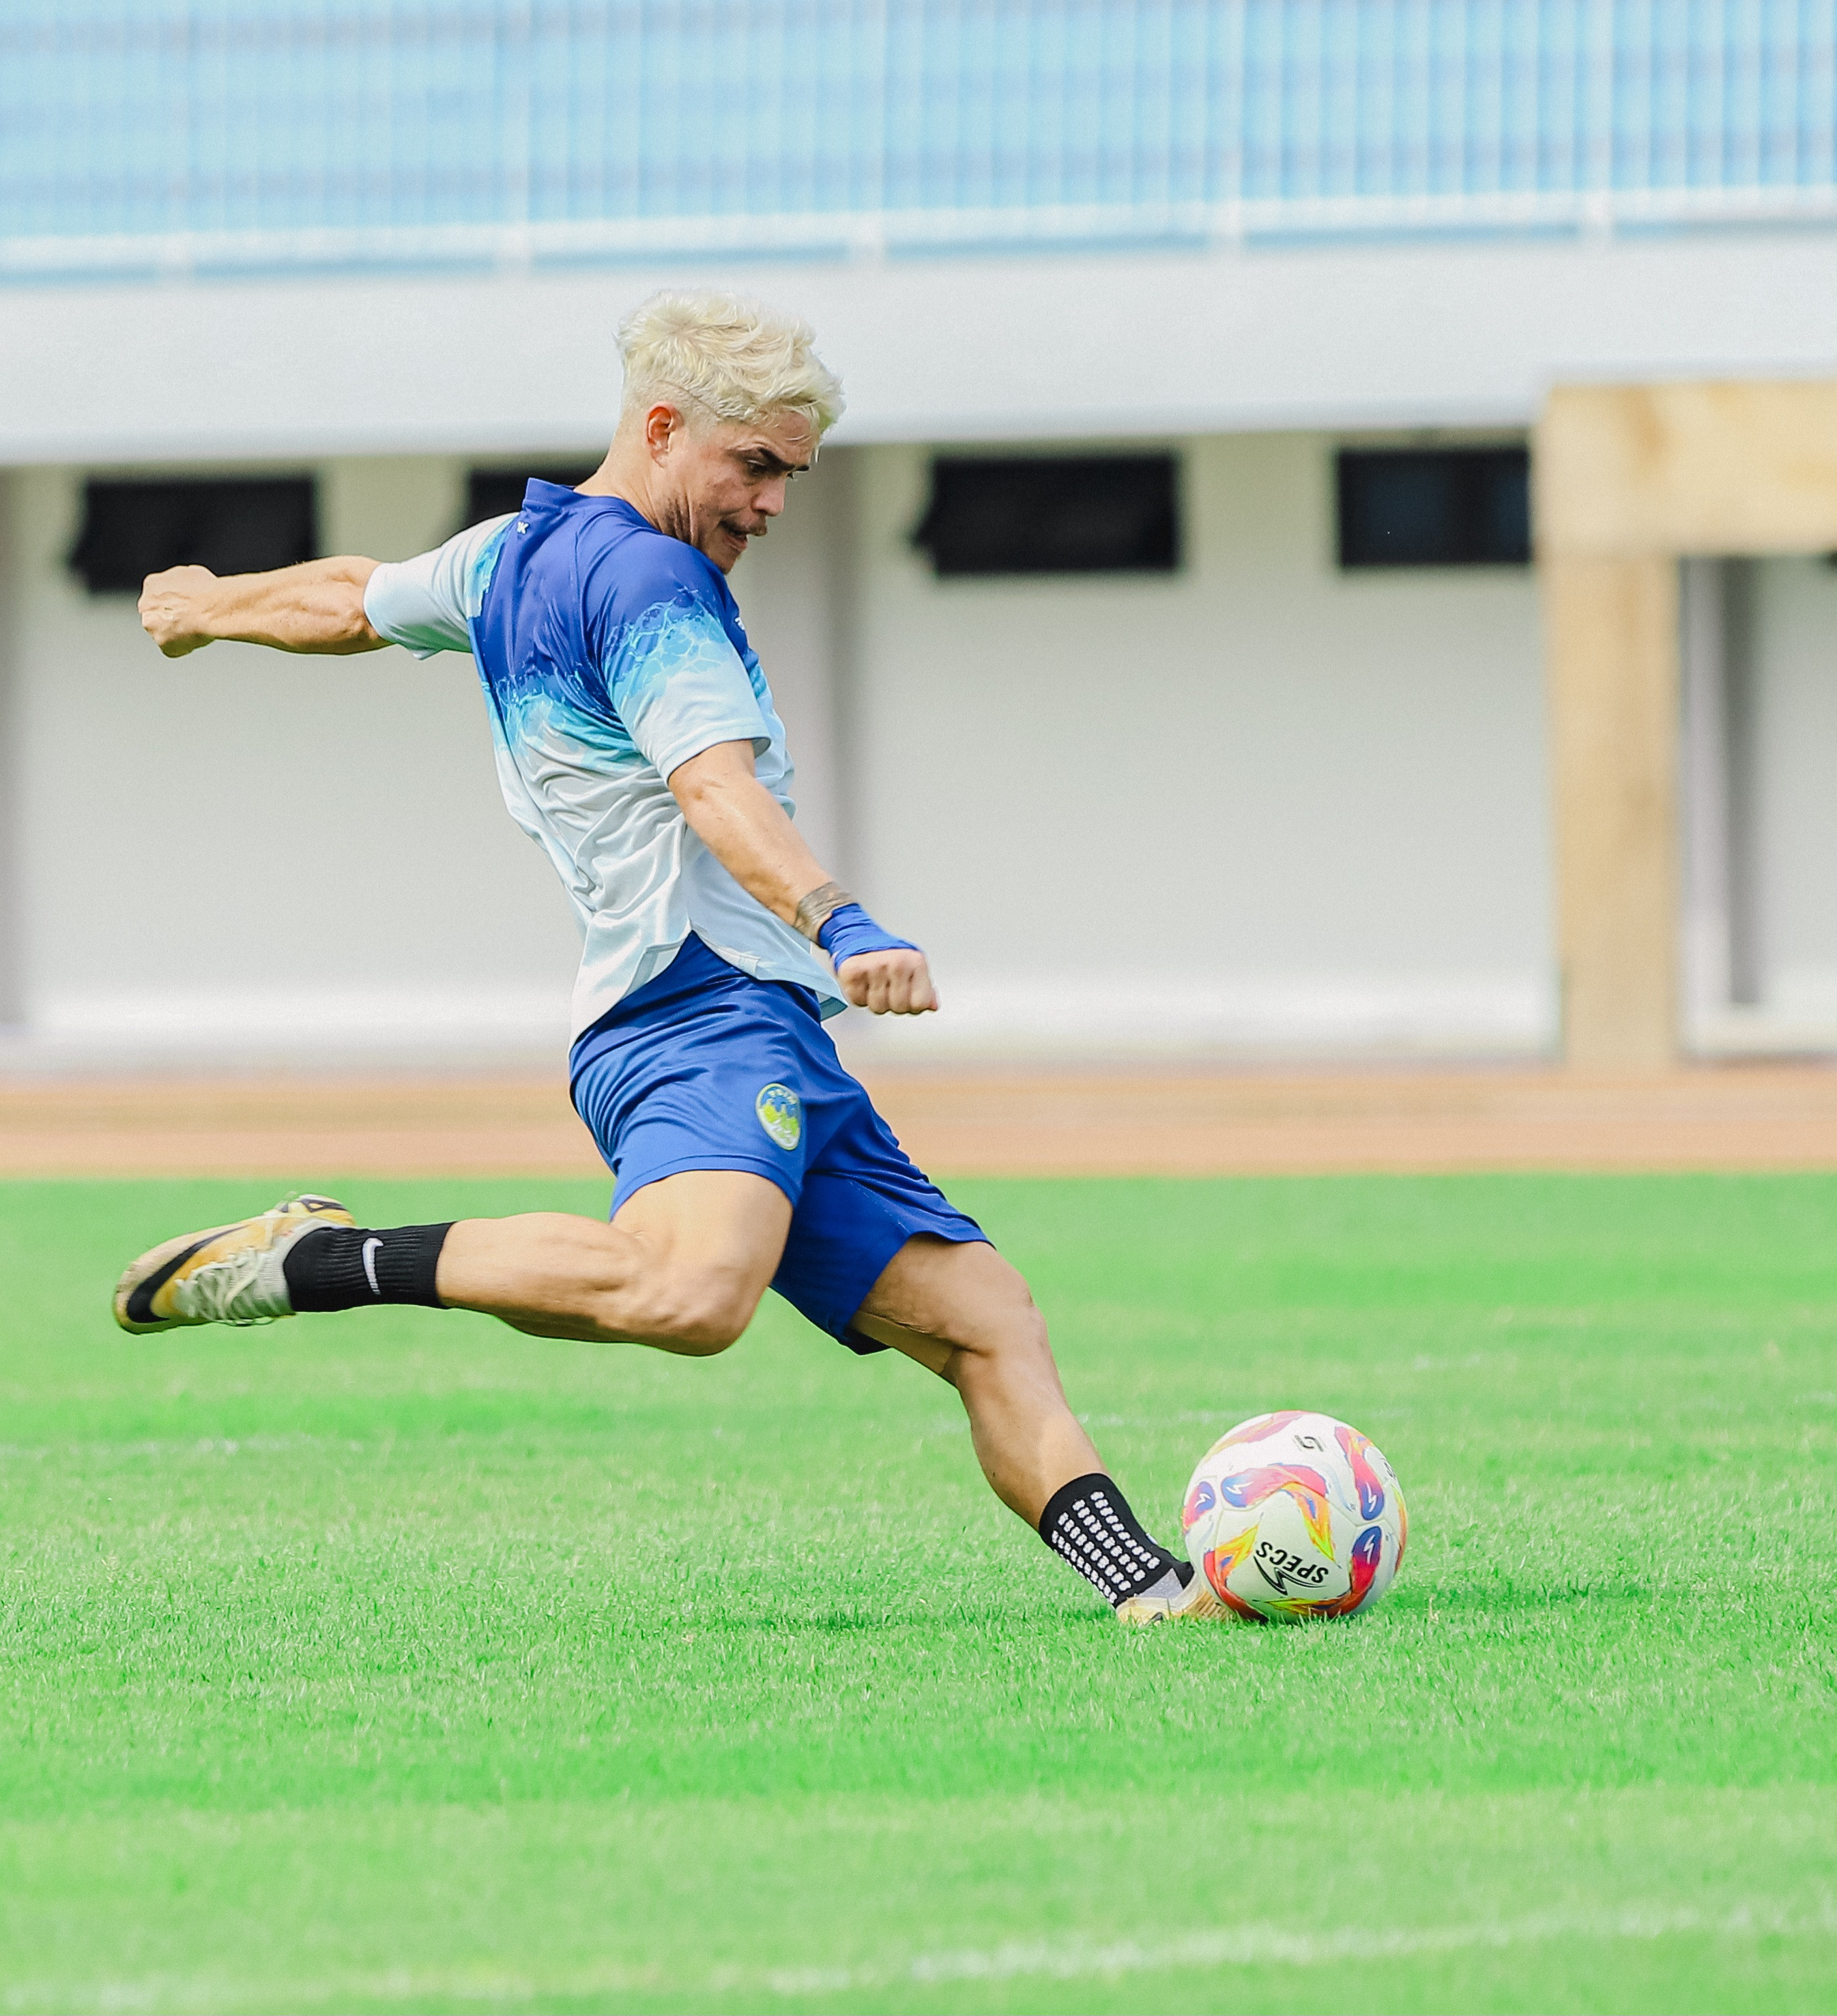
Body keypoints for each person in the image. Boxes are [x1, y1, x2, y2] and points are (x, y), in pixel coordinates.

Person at [115, 290, 1230, 1624]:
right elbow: (710, 787)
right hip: (690, 1013)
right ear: (659, 426)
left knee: (984, 1316)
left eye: (788, 476)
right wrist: (840, 918)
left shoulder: (508, 557)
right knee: (687, 1291)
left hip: (762, 1037)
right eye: (752, 465)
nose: (768, 502)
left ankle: (1151, 1592)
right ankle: (317, 1260)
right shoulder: (651, 584)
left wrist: (211, 605)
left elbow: (354, 599)